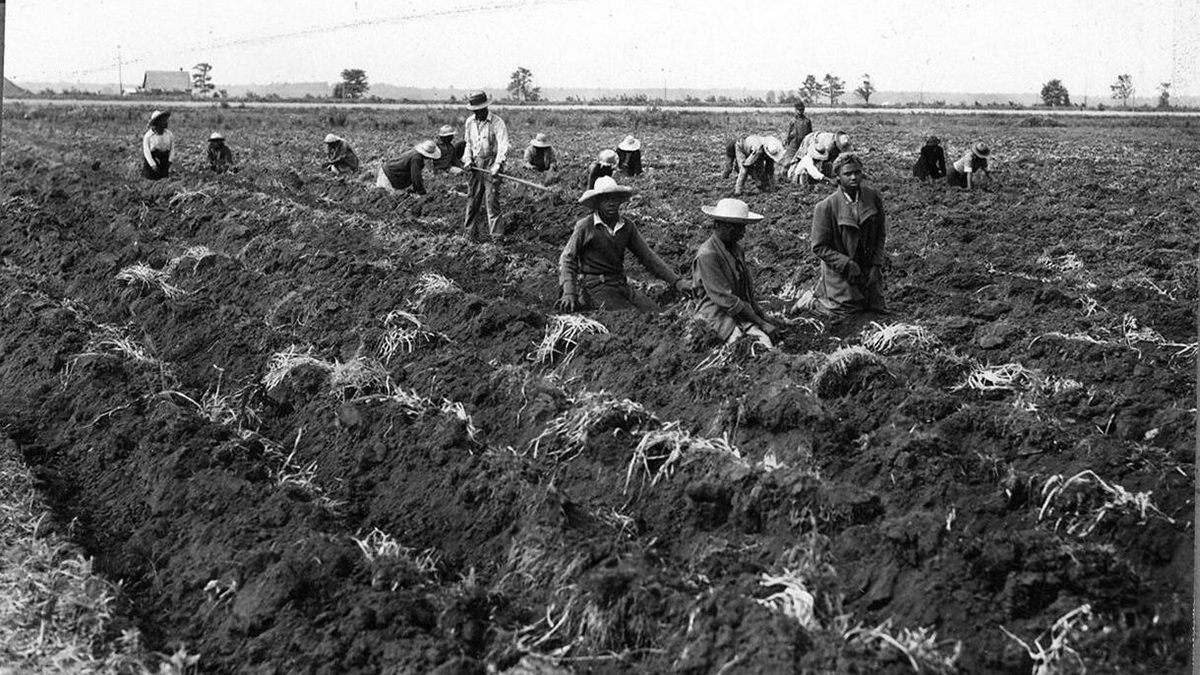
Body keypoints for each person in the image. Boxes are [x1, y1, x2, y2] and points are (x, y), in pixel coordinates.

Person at [556, 177, 692, 312]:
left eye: (614, 198)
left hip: (620, 283)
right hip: (596, 287)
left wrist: (676, 281)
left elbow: (648, 257)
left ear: (620, 201)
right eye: (605, 199)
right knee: (633, 318)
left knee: (656, 313)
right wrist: (569, 291)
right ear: (597, 202)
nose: (611, 203)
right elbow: (568, 258)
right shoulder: (585, 226)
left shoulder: (627, 227)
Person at [793, 153, 887, 317]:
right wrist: (847, 265)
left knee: (875, 308)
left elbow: (880, 234)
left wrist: (876, 265)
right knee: (847, 310)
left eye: (857, 172)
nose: (854, 177)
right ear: (837, 177)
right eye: (847, 174)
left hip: (868, 268)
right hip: (841, 271)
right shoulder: (826, 207)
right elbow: (819, 247)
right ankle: (812, 301)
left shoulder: (873, 197)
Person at [692, 198, 776, 349]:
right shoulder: (707, 255)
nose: (742, 233)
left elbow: (746, 291)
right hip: (716, 311)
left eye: (743, 227)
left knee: (766, 340)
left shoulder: (737, 250)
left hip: (739, 308)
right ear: (719, 225)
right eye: (736, 228)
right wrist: (761, 322)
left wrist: (761, 314)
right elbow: (725, 299)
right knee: (742, 343)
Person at [461, 91, 510, 238]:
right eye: (474, 111)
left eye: (479, 110)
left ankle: (497, 237)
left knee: (492, 202)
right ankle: (469, 234)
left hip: (491, 164)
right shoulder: (470, 122)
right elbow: (468, 144)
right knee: (472, 200)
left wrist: (497, 164)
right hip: (476, 165)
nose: (476, 113)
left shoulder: (497, 122)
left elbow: (503, 145)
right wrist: (468, 159)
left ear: (485, 108)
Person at [376, 140, 441, 195]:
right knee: (387, 199)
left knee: (400, 195)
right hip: (388, 175)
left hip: (391, 173)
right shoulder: (417, 159)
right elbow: (415, 176)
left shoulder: (415, 154)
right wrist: (421, 192)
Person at [141, 110, 174, 180]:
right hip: (153, 159)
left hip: (164, 160)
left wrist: (170, 160)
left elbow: (172, 148)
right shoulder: (148, 136)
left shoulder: (169, 134)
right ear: (157, 122)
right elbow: (147, 152)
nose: (166, 122)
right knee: (152, 179)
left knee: (164, 180)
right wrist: (153, 164)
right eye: (163, 121)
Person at [781, 101, 813, 170]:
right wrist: (787, 141)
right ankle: (784, 176)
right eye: (799, 110)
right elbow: (789, 133)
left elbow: (810, 134)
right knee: (788, 162)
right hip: (794, 144)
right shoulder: (793, 121)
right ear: (795, 110)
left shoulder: (807, 121)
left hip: (804, 144)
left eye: (802, 110)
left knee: (803, 161)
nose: (800, 112)